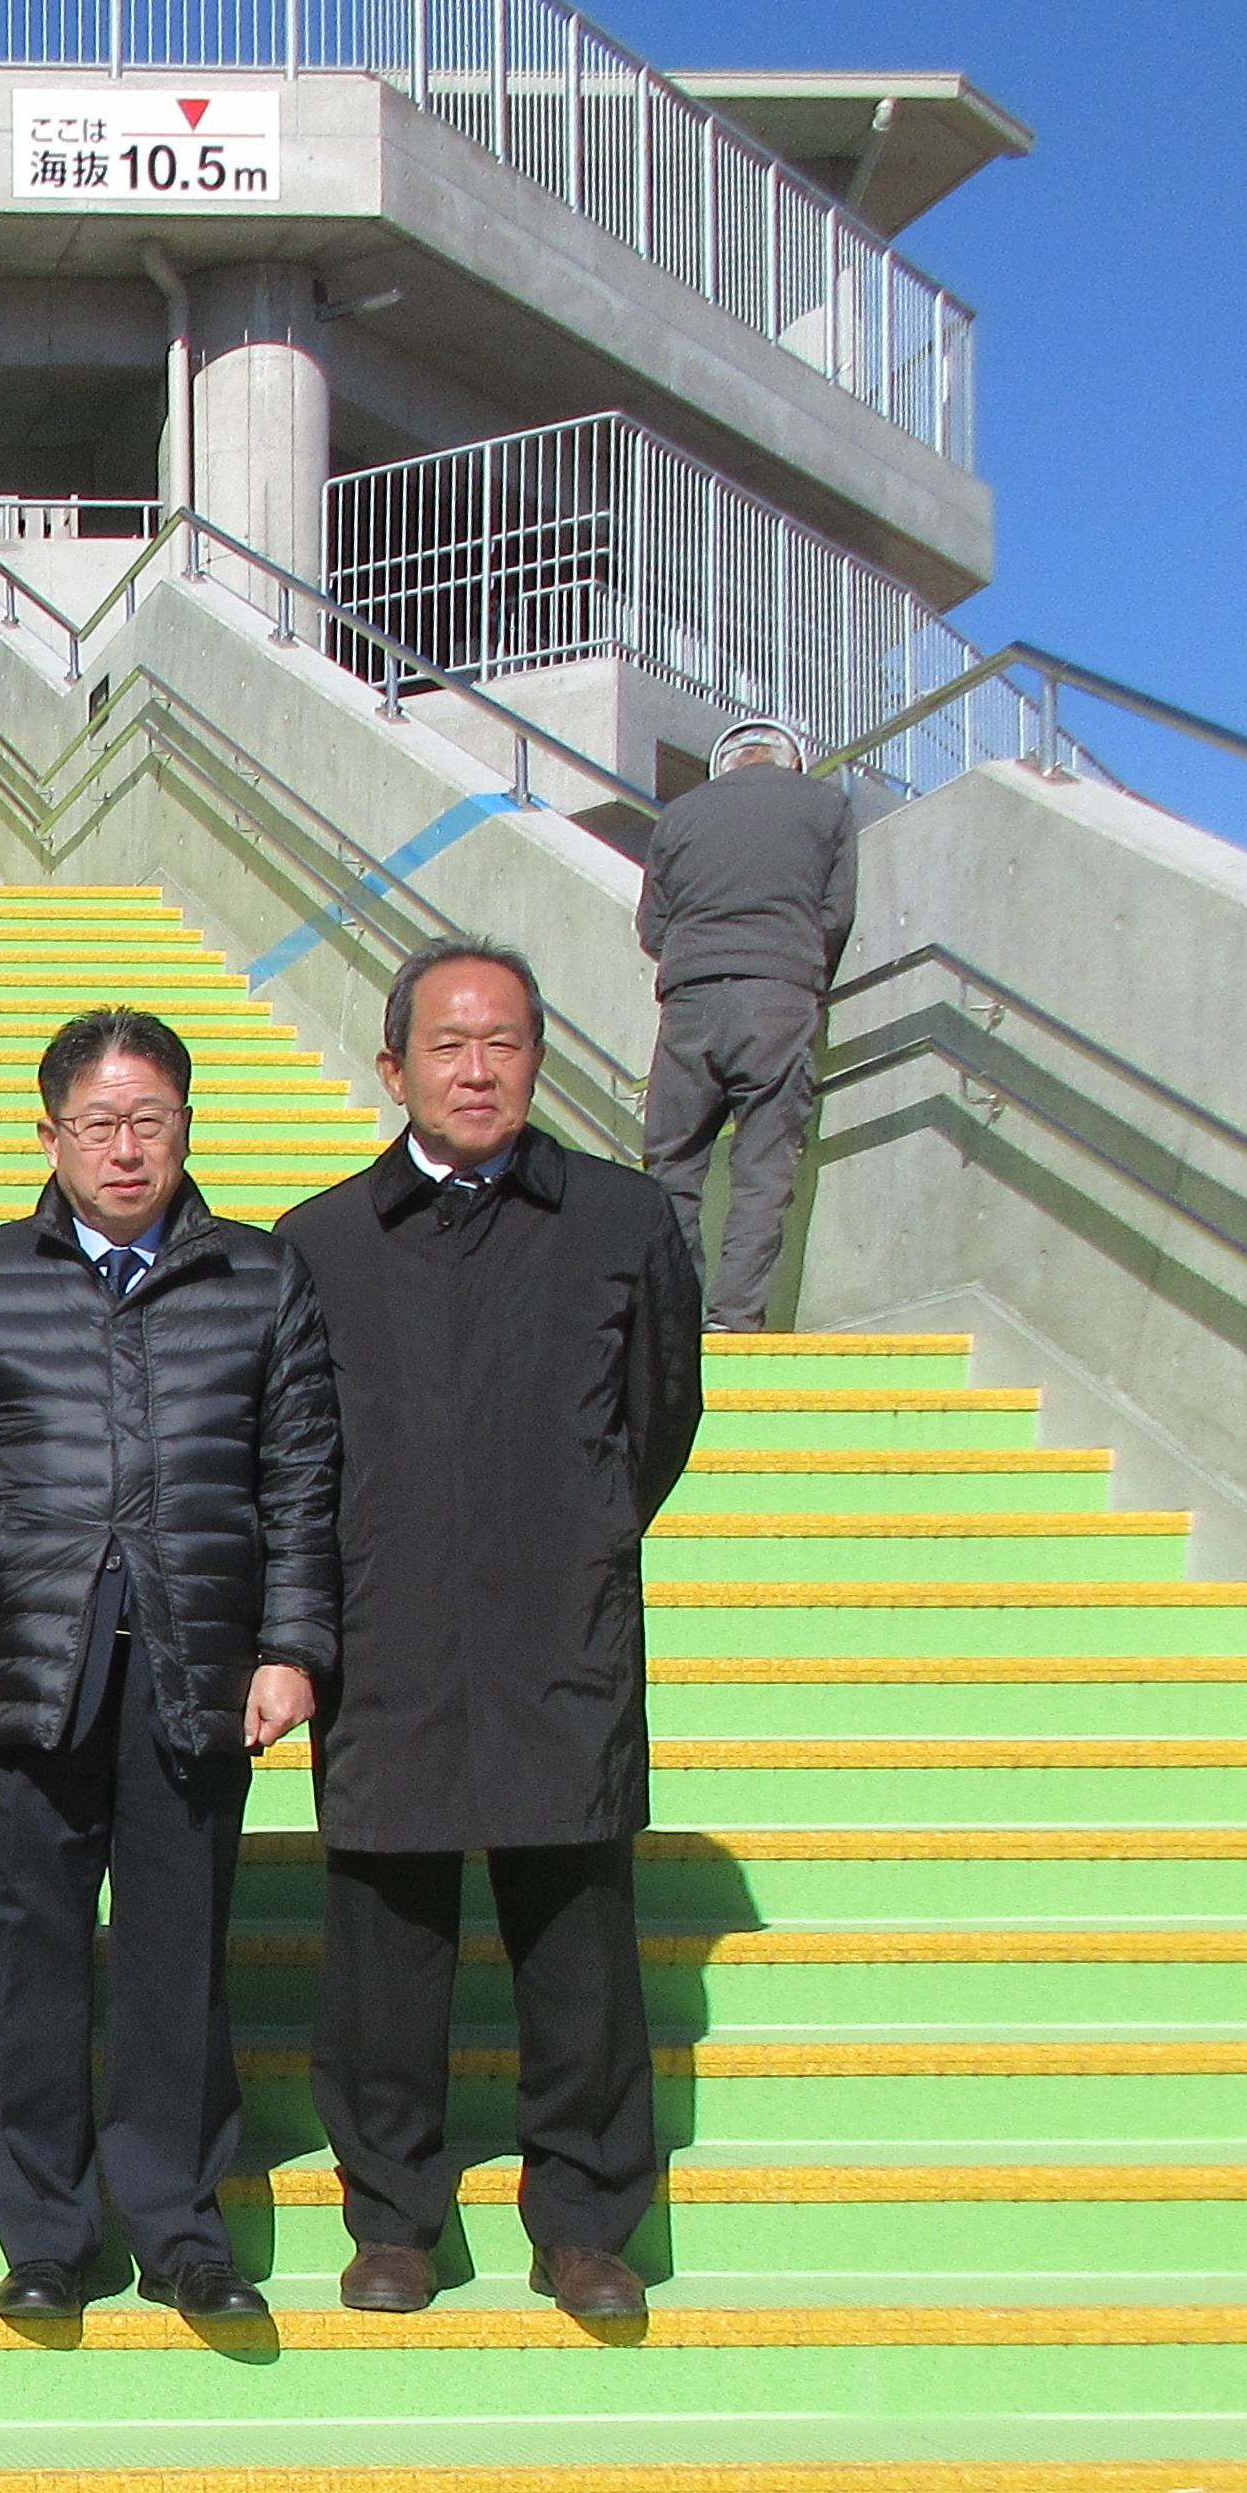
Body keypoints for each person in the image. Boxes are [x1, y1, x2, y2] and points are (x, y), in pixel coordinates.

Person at [276, 940, 703, 2323]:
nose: (477, 1068)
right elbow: (296, 1450)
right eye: (447, 1045)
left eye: (504, 1042)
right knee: (384, 1948)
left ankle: (584, 2223)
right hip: (386, 1631)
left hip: (556, 1629)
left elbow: (659, 1419)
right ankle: (395, 2215)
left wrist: (567, 1533)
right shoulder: (324, 1241)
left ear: (538, 1056)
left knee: (577, 1939)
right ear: (392, 1066)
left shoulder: (622, 1223)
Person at [0, 1007, 335, 2320]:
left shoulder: (262, 1278)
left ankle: (180, 2221)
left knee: (176, 1948)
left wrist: (295, 1646)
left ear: (188, 1125)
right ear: (49, 1134)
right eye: (99, 1124)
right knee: (26, 1947)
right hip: (28, 1661)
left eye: (152, 1120)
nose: (127, 1149)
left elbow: (303, 1482)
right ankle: (41, 2229)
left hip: (198, 1655)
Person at [636, 717, 859, 1332]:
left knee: (672, 1162)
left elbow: (653, 928)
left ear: (722, 765)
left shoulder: (678, 815)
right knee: (763, 1164)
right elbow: (835, 914)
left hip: (689, 1000)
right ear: (791, 760)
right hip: (779, 997)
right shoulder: (828, 806)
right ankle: (735, 1316)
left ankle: (673, 1315)